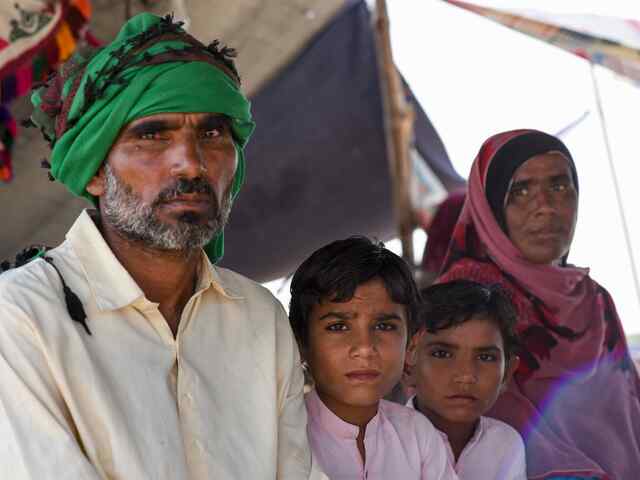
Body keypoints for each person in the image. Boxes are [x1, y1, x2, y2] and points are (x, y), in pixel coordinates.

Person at [0, 13, 314, 479]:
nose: (190, 164)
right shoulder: (20, 317)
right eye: (151, 135)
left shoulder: (258, 317)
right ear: (92, 171)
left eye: (211, 134)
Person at [438, 129, 640, 479]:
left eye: (560, 186)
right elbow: (486, 423)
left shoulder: (595, 300)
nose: (545, 207)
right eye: (520, 191)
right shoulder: (464, 304)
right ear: (490, 207)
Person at [288, 236, 458, 480]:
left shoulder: (417, 435)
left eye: (384, 326)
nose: (365, 348)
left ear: (411, 344)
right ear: (301, 343)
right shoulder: (282, 436)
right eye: (338, 327)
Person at [405, 280, 526, 479]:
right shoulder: (379, 443)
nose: (466, 376)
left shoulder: (506, 444)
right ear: (407, 366)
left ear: (507, 374)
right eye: (442, 354)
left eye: (485, 357)